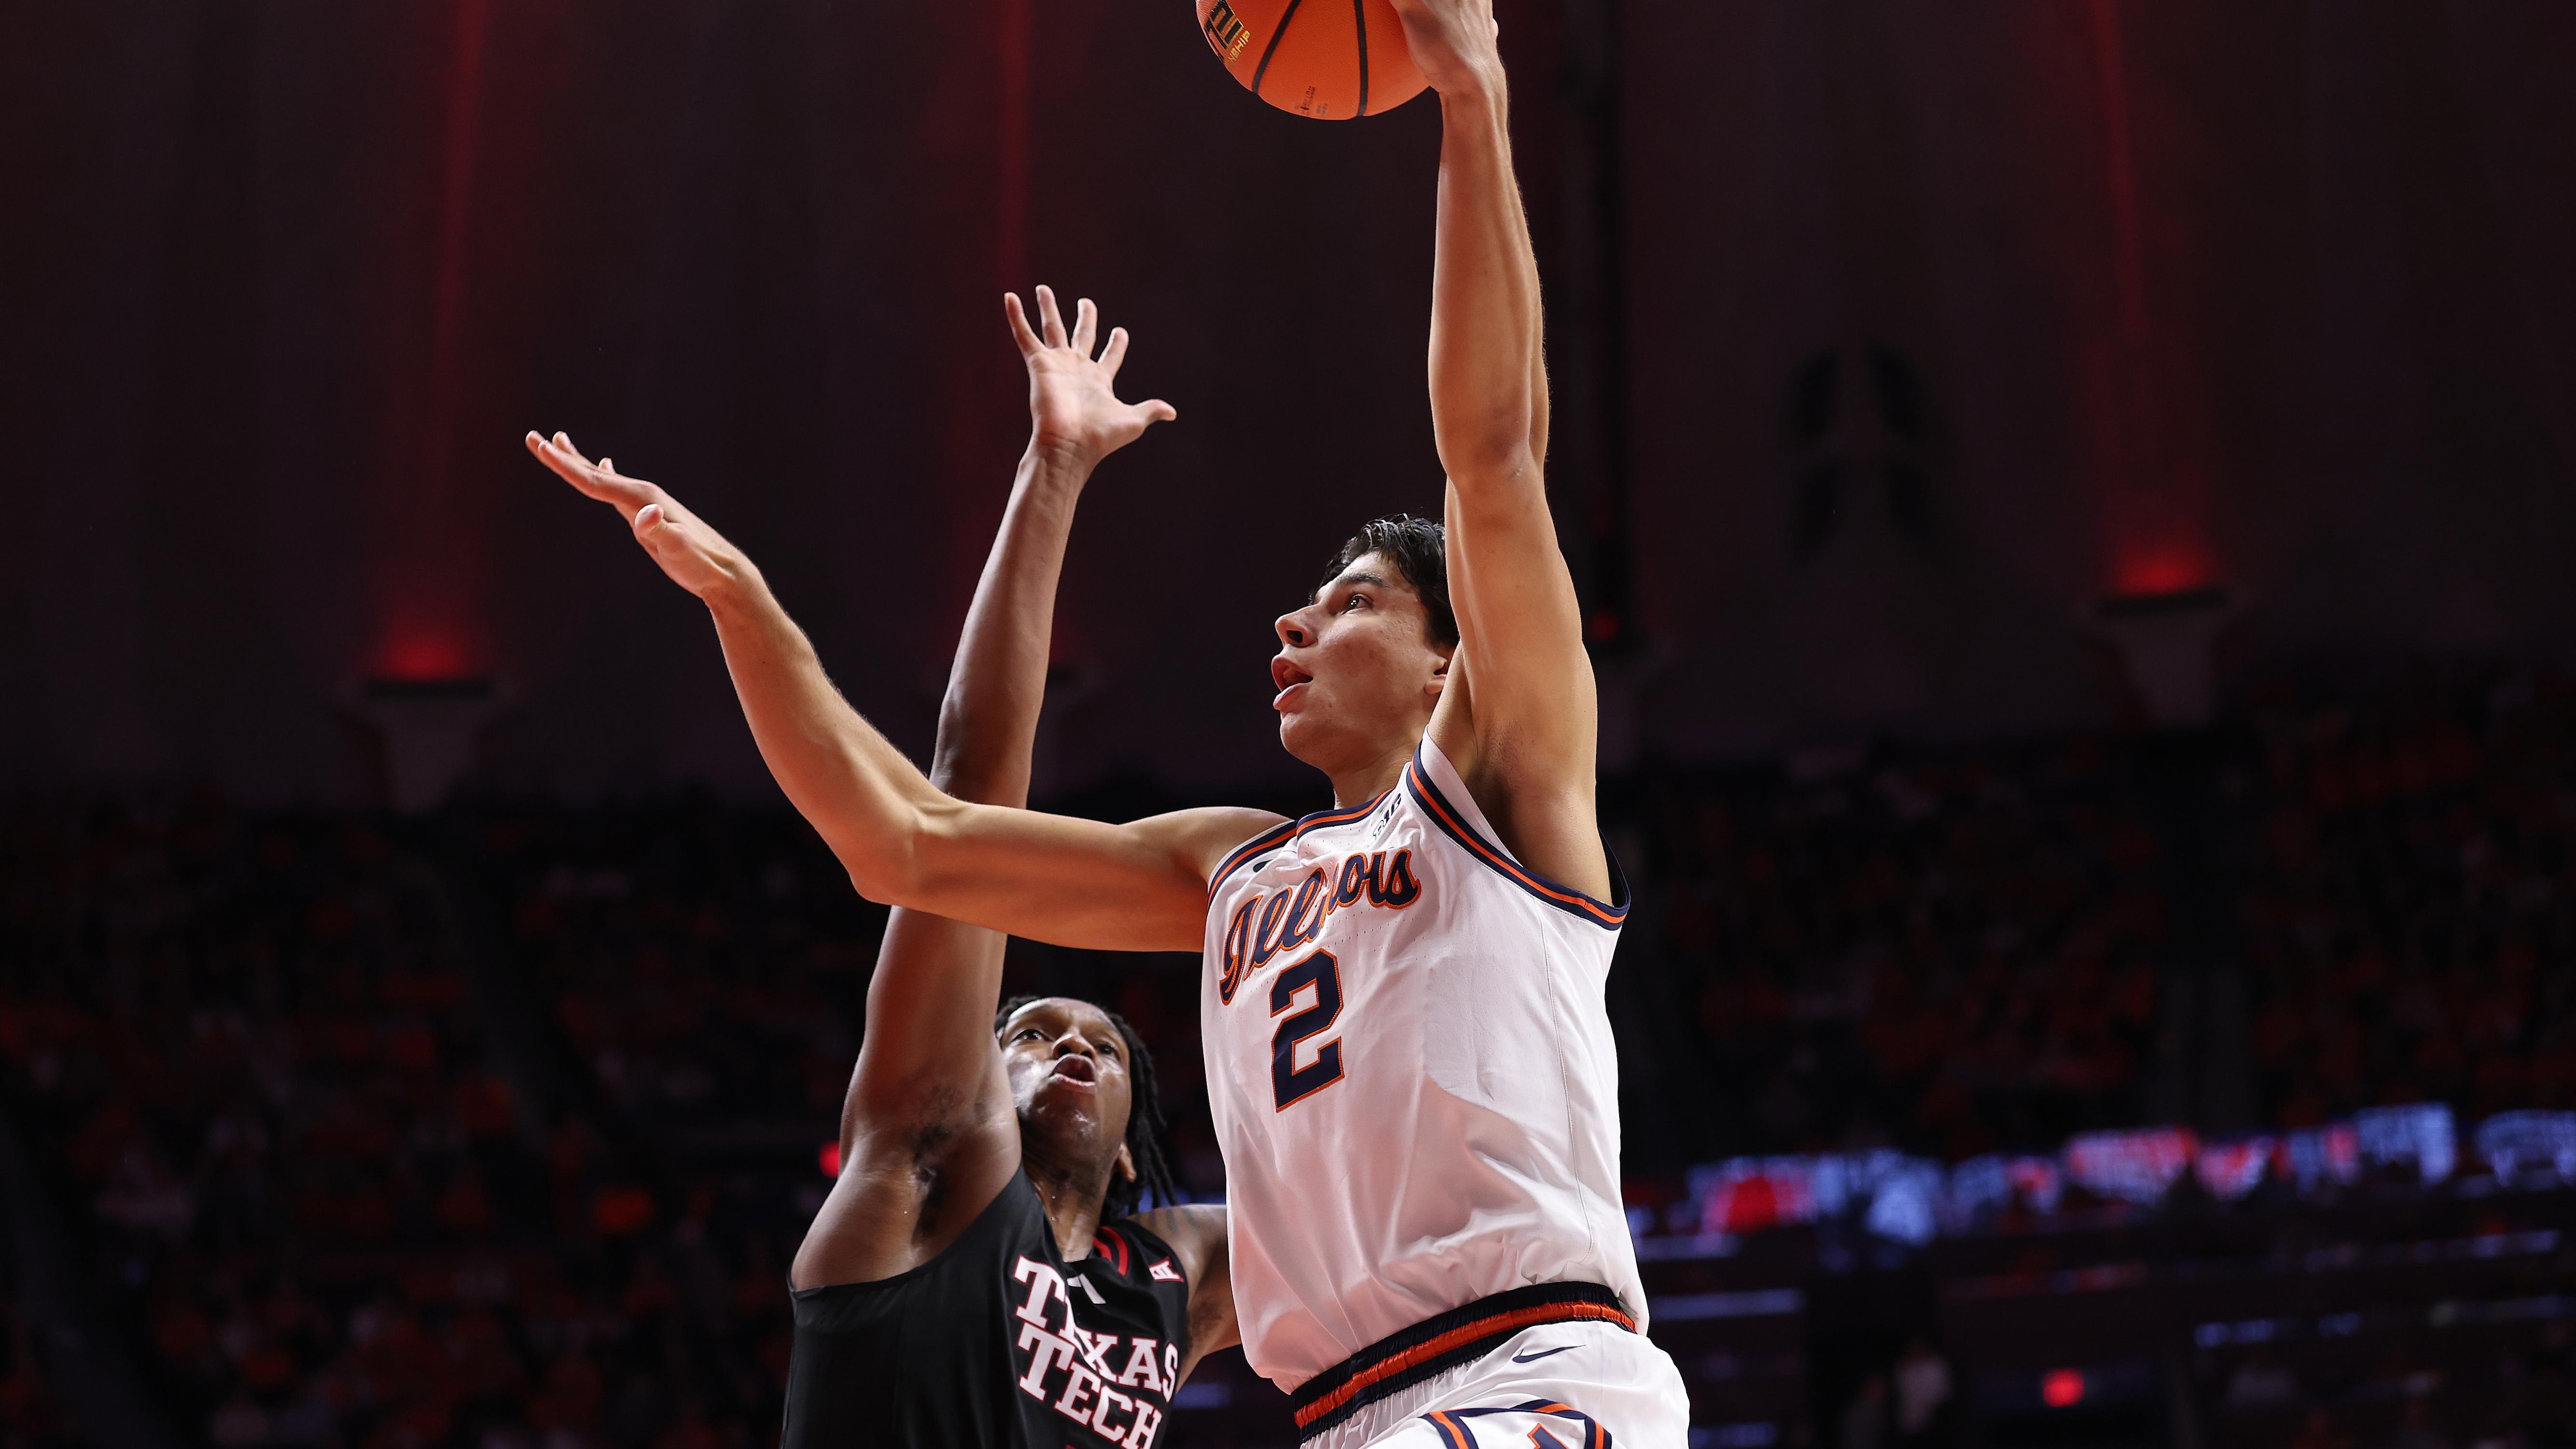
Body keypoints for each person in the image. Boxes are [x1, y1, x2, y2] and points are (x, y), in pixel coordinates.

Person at [530, 0, 1687, 1440]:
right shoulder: (1232, 869)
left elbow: (1496, 448)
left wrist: (1472, 92)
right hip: (1351, 1411)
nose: (1295, 624)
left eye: (1350, 600)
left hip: (1537, 1375)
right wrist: (742, 600)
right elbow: (908, 842)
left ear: (1457, 660)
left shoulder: (1507, 780)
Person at [531, 290, 1232, 1447]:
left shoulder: (1180, 1276)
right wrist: (1050, 470)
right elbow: (968, 788)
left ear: (1137, 1127)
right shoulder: (931, 1162)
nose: (1070, 1047)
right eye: (1034, 1031)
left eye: (1103, 1047)